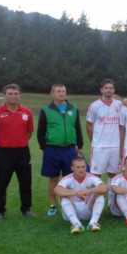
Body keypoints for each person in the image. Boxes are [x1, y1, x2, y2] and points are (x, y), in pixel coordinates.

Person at [0, 83, 34, 220]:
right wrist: (5, 143)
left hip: (23, 152)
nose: (13, 96)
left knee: (26, 182)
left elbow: (29, 132)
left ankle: (26, 209)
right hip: (4, 153)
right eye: (10, 93)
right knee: (1, 183)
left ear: (19, 95)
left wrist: (18, 142)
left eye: (16, 93)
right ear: (4, 95)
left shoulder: (26, 112)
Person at [37, 83, 84, 216]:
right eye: (58, 91)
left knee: (70, 178)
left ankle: (70, 203)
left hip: (69, 150)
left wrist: (80, 146)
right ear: (52, 93)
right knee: (53, 178)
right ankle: (53, 205)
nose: (61, 94)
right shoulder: (46, 109)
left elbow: (77, 128)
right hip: (52, 150)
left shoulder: (73, 108)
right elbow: (40, 131)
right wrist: (44, 148)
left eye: (63, 91)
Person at [54, 156, 108, 234]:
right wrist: (76, 193)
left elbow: (105, 187)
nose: (81, 170)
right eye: (78, 167)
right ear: (72, 168)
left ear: (86, 167)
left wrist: (86, 192)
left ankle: (93, 222)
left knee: (100, 193)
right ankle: (76, 224)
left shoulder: (91, 177)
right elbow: (57, 190)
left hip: (88, 208)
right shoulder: (67, 178)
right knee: (62, 196)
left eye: (83, 167)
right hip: (72, 209)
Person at [86, 79, 123, 182]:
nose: (108, 90)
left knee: (113, 174)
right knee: (96, 174)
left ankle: (111, 193)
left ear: (114, 90)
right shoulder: (94, 105)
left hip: (115, 146)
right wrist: (94, 141)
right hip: (99, 147)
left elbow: (122, 126)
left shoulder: (119, 105)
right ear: (101, 90)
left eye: (110, 88)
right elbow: (88, 126)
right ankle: (97, 193)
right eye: (106, 88)